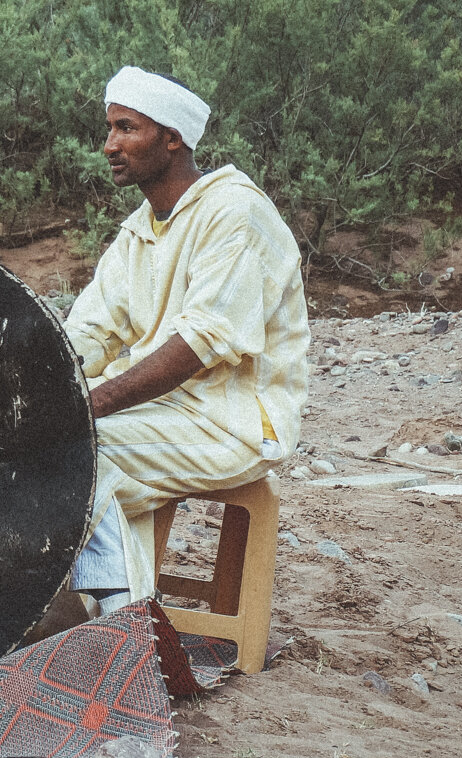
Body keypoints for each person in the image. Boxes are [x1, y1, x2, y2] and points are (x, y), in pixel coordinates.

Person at [63, 66, 310, 612]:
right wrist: (32, 384)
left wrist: (85, 406)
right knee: (23, 438)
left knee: (73, 451)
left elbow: (199, 345)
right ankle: (61, 605)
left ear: (171, 139)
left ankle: (124, 624)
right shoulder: (142, 227)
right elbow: (91, 329)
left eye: (126, 129)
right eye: (109, 130)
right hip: (172, 411)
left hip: (238, 421)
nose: (109, 146)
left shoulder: (234, 212)